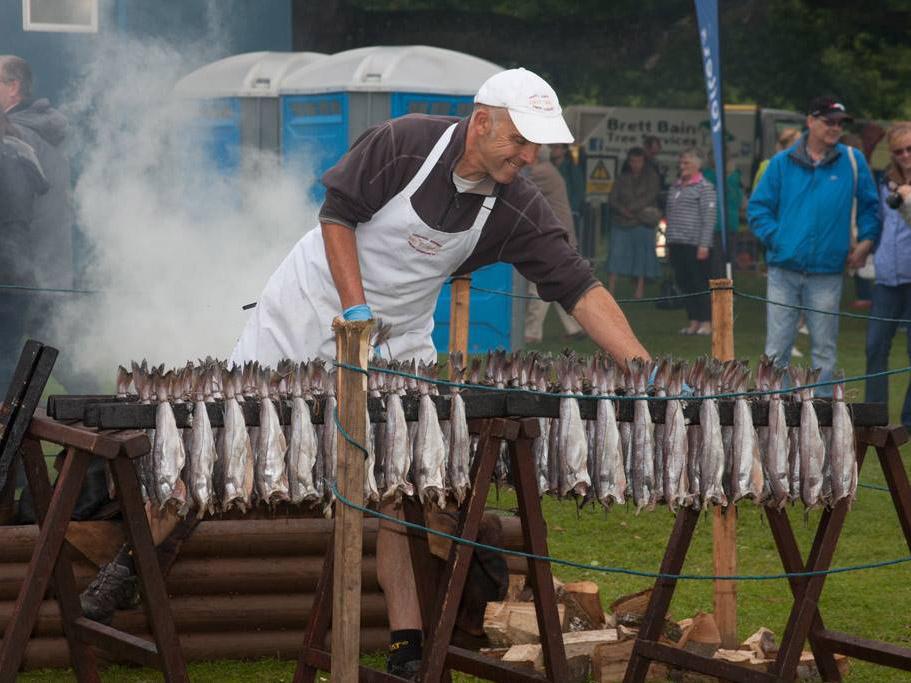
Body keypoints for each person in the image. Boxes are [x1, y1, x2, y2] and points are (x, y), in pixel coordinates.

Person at [82, 68, 651, 679]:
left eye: (537, 144)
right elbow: (337, 216)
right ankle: (130, 569)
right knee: (224, 445)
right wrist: (353, 313)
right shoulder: (406, 143)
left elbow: (577, 286)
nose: (529, 155)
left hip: (400, 339)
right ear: (481, 122)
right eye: (519, 139)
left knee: (400, 486)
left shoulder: (517, 202)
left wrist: (643, 370)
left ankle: (407, 648)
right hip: (306, 313)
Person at [748, 96, 879, 396]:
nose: (835, 128)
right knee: (776, 348)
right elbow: (758, 209)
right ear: (810, 121)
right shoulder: (782, 163)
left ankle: (819, 416)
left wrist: (867, 241)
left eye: (839, 123)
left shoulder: (852, 160)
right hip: (783, 269)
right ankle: (772, 409)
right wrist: (778, 239)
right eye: (828, 121)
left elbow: (871, 207)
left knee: (824, 350)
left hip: (828, 272)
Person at [0, 55, 90, 392]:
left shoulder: (16, 136)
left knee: (12, 357)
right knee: (58, 356)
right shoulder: (48, 133)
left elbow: (15, 215)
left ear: (14, 88)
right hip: (48, 269)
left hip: (23, 273)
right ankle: (103, 413)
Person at [865, 122, 911, 429]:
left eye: (910, 149)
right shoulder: (886, 181)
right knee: (875, 346)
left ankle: (909, 420)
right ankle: (874, 416)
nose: (905, 155)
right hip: (887, 277)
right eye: (899, 151)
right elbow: (879, 220)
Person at [0, 109, 49, 391]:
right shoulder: (23, 152)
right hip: (21, 267)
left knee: (5, 353)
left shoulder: (15, 154)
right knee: (7, 351)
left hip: (11, 269)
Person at [524, 145, 585, 343]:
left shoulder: (541, 172)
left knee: (539, 283)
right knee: (558, 283)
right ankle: (575, 327)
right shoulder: (549, 170)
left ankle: (532, 332)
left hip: (552, 238)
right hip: (560, 236)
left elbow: (515, 185)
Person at [665, 148, 717, 336]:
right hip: (676, 243)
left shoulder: (705, 187)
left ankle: (706, 322)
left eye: (686, 163)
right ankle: (693, 321)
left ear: (697, 165)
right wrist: (668, 241)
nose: (682, 166)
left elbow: (709, 217)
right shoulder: (675, 187)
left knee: (699, 284)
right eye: (681, 163)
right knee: (684, 283)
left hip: (695, 244)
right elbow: (670, 215)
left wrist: (704, 244)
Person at [606, 147, 662, 299]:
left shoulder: (652, 177)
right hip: (621, 221)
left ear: (644, 161)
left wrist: (632, 209)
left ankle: (639, 289)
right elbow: (612, 198)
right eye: (632, 161)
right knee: (615, 255)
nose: (635, 164)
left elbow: (651, 196)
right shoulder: (622, 177)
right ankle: (610, 289)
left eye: (638, 161)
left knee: (641, 256)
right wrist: (623, 211)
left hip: (643, 222)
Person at [703, 155, 743, 279]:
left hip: (729, 226)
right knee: (717, 263)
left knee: (727, 261)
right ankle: (719, 294)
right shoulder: (707, 176)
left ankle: (724, 293)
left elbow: (738, 201)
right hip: (715, 226)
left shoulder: (735, 178)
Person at [548, 142, 586, 232]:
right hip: (551, 212)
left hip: (566, 212)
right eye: (552, 146)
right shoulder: (549, 167)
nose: (553, 150)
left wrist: (571, 210)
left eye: (556, 147)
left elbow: (579, 191)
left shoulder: (572, 168)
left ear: (564, 150)